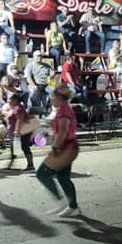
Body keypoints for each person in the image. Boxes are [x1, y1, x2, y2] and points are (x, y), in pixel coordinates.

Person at [36, 85, 82, 217]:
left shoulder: (64, 111)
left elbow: (63, 132)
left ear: (59, 98)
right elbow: (59, 132)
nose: (50, 98)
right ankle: (73, 208)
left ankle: (60, 200)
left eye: (52, 96)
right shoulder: (62, 109)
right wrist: (49, 136)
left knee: (42, 173)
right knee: (63, 178)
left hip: (66, 148)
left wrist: (55, 147)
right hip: (68, 146)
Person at [5, 93, 35, 171]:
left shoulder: (18, 108)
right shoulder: (15, 108)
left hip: (22, 132)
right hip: (17, 132)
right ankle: (11, 164)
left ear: (15, 100)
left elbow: (20, 120)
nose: (8, 101)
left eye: (10, 99)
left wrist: (17, 130)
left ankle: (30, 165)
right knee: (13, 148)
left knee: (25, 147)